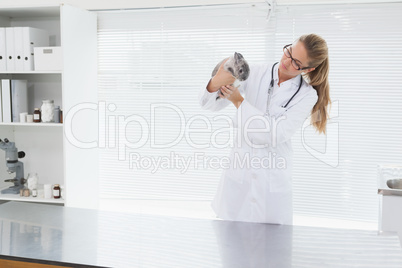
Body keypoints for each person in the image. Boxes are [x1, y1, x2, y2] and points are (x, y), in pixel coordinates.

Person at [199, 34, 330, 225]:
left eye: (296, 63)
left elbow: (275, 134)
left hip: (272, 185)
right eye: (289, 52)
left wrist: (238, 101)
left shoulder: (306, 95)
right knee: (229, 247)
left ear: (308, 69)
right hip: (238, 177)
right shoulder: (255, 72)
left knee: (272, 250)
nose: (287, 61)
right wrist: (216, 82)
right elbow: (209, 104)